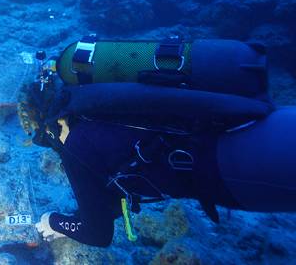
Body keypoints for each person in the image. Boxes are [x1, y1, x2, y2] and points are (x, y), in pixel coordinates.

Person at [18, 38, 296, 247]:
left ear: (44, 126)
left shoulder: (75, 147)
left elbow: (96, 234)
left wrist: (53, 221)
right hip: (256, 118)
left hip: (236, 167)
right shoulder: (105, 98)